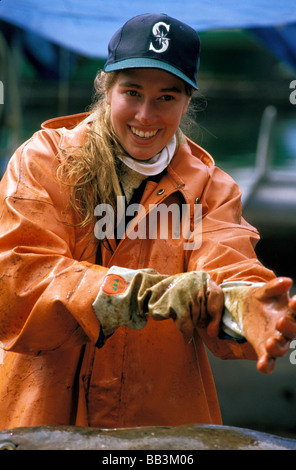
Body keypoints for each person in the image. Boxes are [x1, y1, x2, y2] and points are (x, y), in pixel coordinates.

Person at [0, 13, 296, 431]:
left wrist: (245, 307)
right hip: (41, 424)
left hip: (161, 431)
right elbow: (18, 282)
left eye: (166, 97)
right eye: (132, 92)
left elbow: (227, 266)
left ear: (187, 101)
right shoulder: (42, 161)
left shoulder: (212, 189)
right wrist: (140, 293)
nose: (145, 114)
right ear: (106, 88)